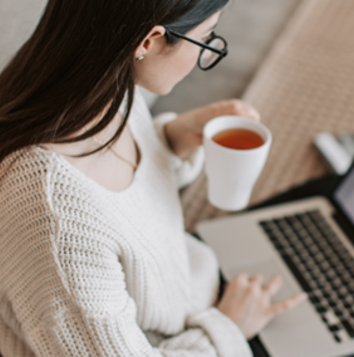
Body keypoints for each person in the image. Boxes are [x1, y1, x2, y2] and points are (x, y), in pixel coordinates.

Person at [0, 1, 306, 356]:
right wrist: (226, 329)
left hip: (187, 293)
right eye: (206, 40)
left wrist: (171, 140)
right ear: (150, 41)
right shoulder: (55, 221)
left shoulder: (94, 84)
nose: (200, 59)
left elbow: (114, 199)